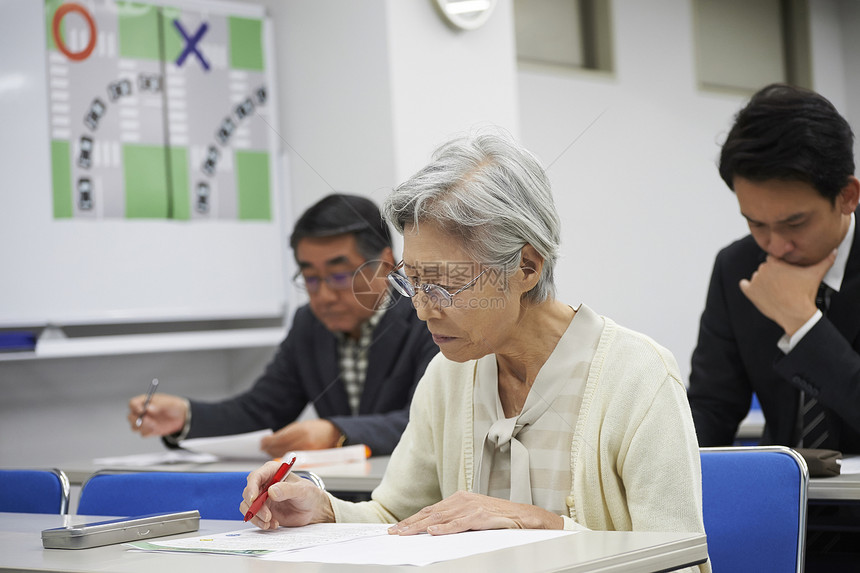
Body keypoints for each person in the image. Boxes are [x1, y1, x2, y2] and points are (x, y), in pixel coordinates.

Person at [239, 130, 708, 572]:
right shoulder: (448, 376)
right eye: (414, 282)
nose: (423, 310)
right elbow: (395, 516)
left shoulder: (636, 377)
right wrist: (321, 507)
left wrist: (540, 525)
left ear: (526, 266)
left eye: (445, 285)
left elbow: (680, 562)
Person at [127, 194, 438, 457]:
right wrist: (186, 417)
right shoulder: (309, 324)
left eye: (340, 276)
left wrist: (338, 433)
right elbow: (261, 411)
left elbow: (433, 420)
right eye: (311, 278)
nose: (324, 295)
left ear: (384, 264)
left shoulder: (427, 315)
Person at [687, 84, 860, 454]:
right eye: (756, 223)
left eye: (795, 223)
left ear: (847, 196)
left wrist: (804, 325)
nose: (775, 246)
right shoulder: (738, 267)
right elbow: (712, 407)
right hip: (779, 500)